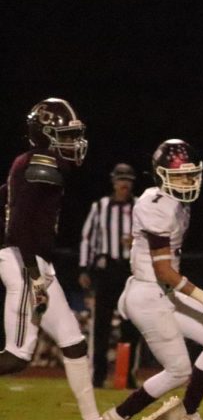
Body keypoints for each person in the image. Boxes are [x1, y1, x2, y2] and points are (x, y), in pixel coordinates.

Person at [0, 97, 119, 420]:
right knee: (18, 357)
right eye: (64, 134)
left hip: (31, 260)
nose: (72, 142)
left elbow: (7, 201)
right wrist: (33, 273)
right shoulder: (41, 163)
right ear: (46, 135)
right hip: (24, 260)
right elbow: (19, 225)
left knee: (74, 342)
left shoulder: (31, 163)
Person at [99, 139, 203, 420]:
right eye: (178, 176)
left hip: (166, 292)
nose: (186, 182)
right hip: (148, 293)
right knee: (178, 370)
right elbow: (163, 270)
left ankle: (187, 415)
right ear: (160, 175)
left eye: (190, 175)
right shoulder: (155, 206)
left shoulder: (179, 204)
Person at [78, 162, 140, 389]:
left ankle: (127, 374)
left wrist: (136, 241)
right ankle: (98, 375)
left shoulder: (140, 206)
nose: (124, 184)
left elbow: (151, 235)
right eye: (120, 179)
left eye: (128, 180)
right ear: (114, 182)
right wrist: (85, 268)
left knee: (131, 324)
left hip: (131, 271)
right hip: (107, 270)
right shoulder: (100, 207)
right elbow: (88, 238)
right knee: (101, 326)